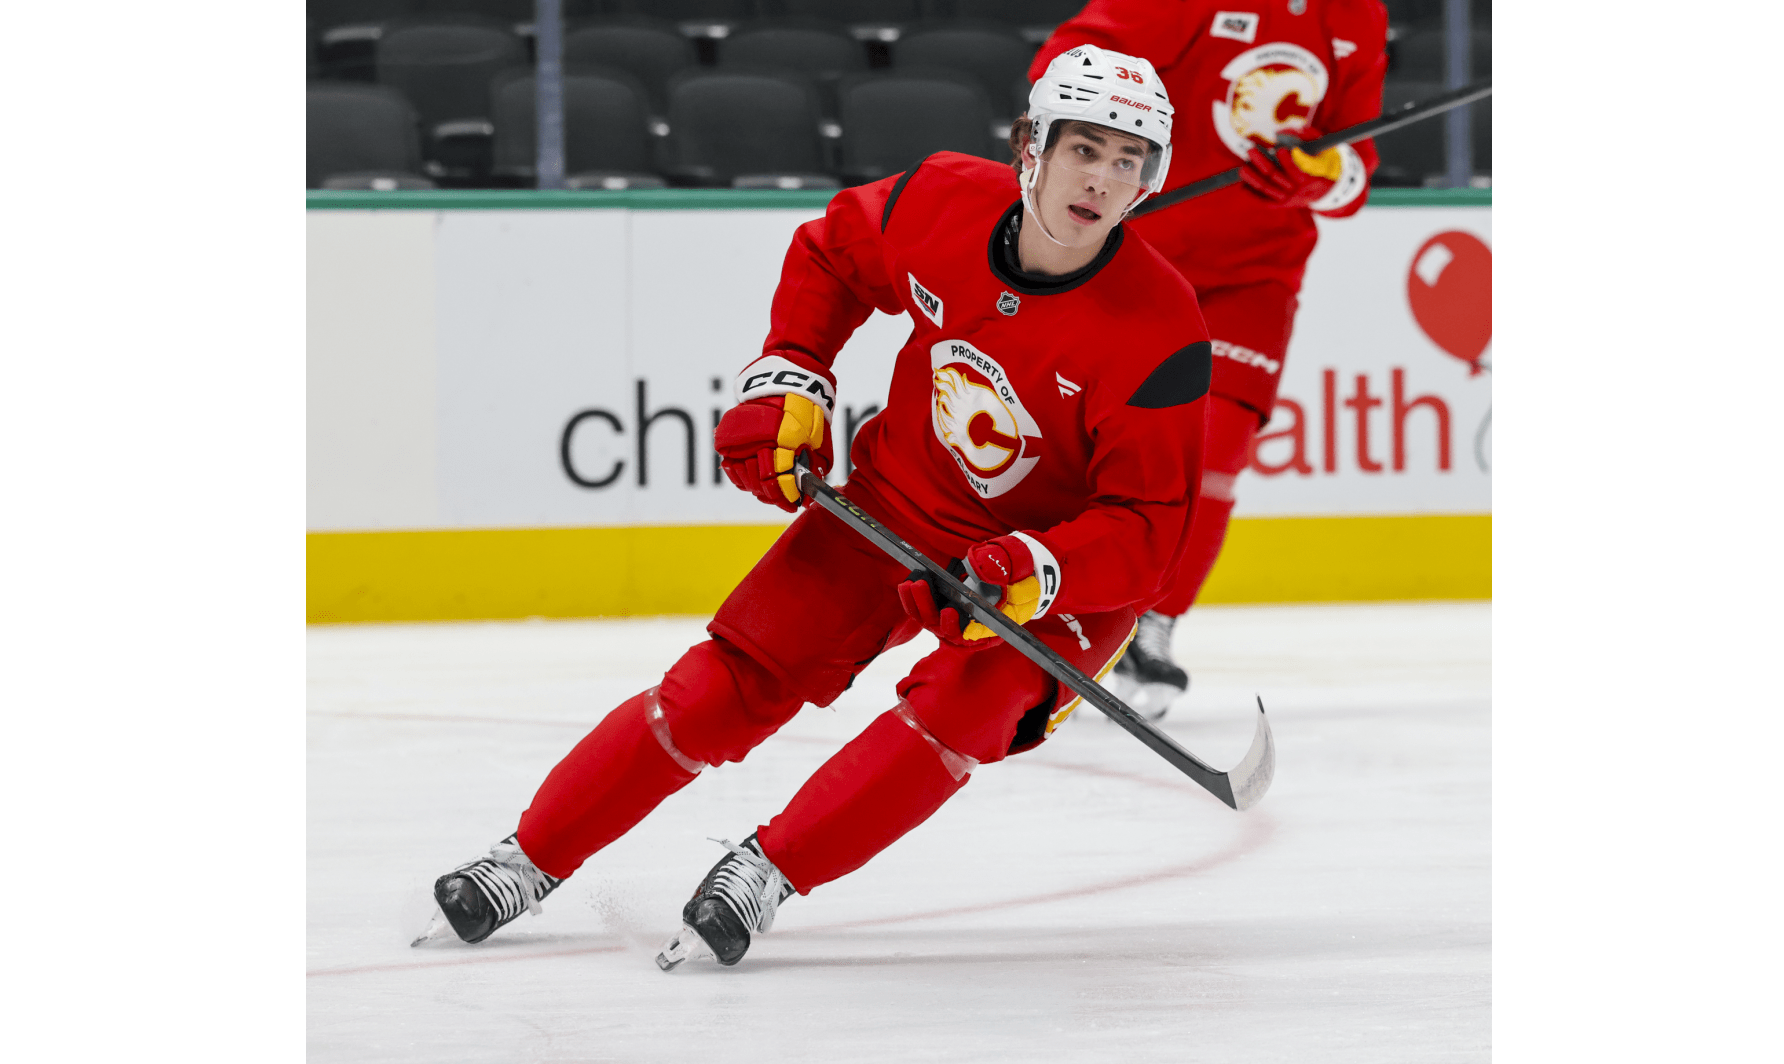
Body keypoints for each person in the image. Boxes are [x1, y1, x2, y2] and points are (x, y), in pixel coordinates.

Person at [413, 45, 1214, 970]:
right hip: (900, 500)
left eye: (1129, 160)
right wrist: (792, 369)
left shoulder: (1162, 328)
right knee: (721, 689)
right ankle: (528, 857)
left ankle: (765, 873)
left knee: (960, 713)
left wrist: (1033, 567)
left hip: (1052, 574)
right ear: (1029, 145)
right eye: (1085, 149)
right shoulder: (941, 200)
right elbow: (833, 254)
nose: (1103, 180)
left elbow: (1148, 531)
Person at [1032, 0, 1390, 719]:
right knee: (1087, 442)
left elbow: (1356, 163)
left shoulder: (1358, 14)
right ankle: (1056, 595)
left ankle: (1149, 624)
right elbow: (1064, 67)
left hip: (1256, 272)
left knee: (1217, 449)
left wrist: (1319, 173)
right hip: (1139, 252)